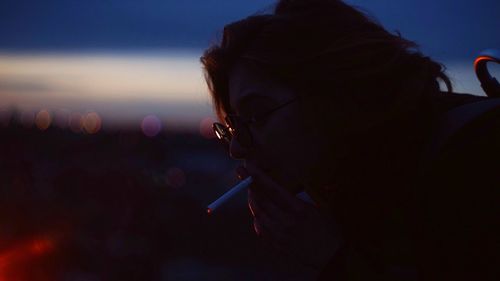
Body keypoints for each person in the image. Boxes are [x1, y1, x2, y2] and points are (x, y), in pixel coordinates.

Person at [200, 0, 499, 280]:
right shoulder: (368, 193)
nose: (237, 148)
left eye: (258, 114)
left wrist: (335, 260)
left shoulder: (475, 164)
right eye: (233, 126)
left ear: (337, 97)